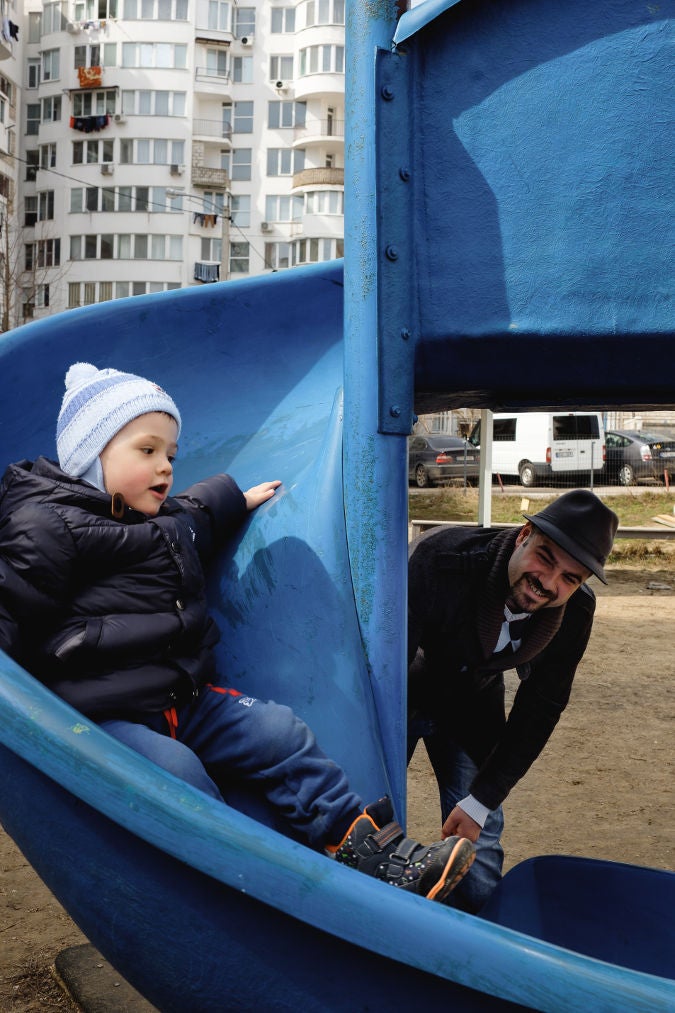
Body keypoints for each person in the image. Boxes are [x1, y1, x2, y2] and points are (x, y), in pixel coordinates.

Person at [0, 361, 475, 904]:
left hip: (183, 699)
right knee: (176, 773)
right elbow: (10, 612)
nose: (165, 468)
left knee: (279, 731)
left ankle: (367, 850)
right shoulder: (46, 527)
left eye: (171, 456)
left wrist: (237, 499)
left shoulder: (162, 522)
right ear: (91, 454)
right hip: (102, 717)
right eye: (147, 450)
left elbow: (198, 513)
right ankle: (233, 884)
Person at [407, 488, 619, 913]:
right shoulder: (440, 560)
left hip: (473, 701)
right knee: (368, 810)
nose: (549, 583)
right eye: (546, 557)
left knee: (479, 843)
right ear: (524, 535)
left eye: (570, 578)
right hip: (402, 689)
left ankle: (481, 943)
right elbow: (382, 658)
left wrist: (483, 798)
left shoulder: (574, 612)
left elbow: (542, 704)